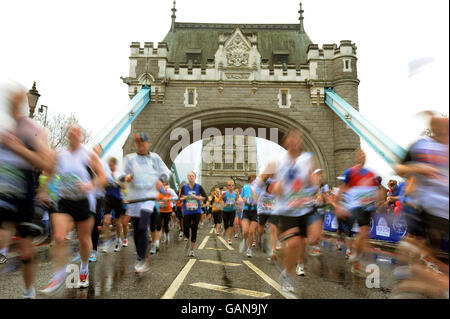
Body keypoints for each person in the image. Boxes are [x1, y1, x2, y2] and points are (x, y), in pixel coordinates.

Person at [0, 81, 53, 298]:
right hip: (3, 195)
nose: (12, 105)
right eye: (9, 101)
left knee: (25, 250)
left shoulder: (32, 129)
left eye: (16, 101)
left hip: (23, 194)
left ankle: (29, 290)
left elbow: (47, 163)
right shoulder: (6, 129)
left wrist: (18, 148)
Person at [41, 125, 107, 295]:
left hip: (84, 201)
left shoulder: (88, 154)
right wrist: (43, 191)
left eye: (76, 131)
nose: (73, 134)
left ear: (81, 136)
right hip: (64, 200)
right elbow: (50, 173)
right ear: (68, 135)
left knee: (84, 240)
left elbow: (103, 177)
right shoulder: (60, 154)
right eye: (70, 131)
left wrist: (89, 185)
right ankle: (59, 274)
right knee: (58, 237)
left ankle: (83, 269)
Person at [392, 115, 448, 298]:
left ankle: (413, 281)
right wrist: (418, 168)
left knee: (429, 254)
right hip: (427, 210)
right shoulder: (421, 146)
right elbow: (399, 168)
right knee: (420, 247)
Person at [270, 129, 322, 292]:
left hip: (307, 205)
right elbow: (273, 183)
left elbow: (314, 176)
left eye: (298, 138)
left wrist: (315, 182)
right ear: (286, 143)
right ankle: (287, 274)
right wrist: (276, 186)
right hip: (289, 208)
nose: (295, 141)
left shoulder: (308, 158)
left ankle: (298, 256)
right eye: (292, 139)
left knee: (314, 239)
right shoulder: (280, 160)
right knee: (294, 244)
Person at [122, 132, 171, 272]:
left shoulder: (155, 158)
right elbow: (119, 174)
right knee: (137, 230)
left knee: (143, 226)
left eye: (143, 142)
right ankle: (140, 256)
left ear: (148, 143)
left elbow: (166, 172)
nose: (140, 144)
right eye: (138, 142)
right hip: (134, 199)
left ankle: (142, 259)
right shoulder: (129, 159)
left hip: (148, 199)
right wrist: (126, 177)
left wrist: (161, 181)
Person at [338, 149, 383, 275]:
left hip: (368, 207)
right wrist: (338, 206)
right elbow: (341, 188)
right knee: (362, 232)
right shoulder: (350, 172)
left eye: (364, 155)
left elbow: (377, 189)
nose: (362, 157)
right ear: (356, 158)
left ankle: (356, 259)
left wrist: (378, 202)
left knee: (364, 234)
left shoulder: (370, 173)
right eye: (360, 155)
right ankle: (355, 255)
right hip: (357, 207)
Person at [255, 160, 279, 261]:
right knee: (260, 228)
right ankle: (260, 238)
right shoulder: (263, 180)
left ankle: (273, 251)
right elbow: (259, 182)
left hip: (274, 209)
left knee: (273, 228)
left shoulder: (278, 179)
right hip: (263, 208)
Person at [180, 171, 207, 257]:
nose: (191, 177)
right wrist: (185, 197)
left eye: (192, 176)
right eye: (189, 176)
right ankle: (187, 237)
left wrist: (198, 197)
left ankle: (191, 249)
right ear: (188, 178)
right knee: (186, 228)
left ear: (195, 177)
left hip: (196, 211)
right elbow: (180, 198)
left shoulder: (199, 187)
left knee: (194, 228)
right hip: (187, 211)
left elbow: (205, 197)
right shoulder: (184, 187)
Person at [239, 174, 260, 258]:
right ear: (249, 180)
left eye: (254, 179)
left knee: (251, 231)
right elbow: (240, 197)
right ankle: (244, 240)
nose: (253, 181)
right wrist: (243, 200)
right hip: (246, 210)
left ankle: (249, 249)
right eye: (251, 179)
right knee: (245, 231)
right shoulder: (245, 187)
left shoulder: (259, 188)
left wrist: (256, 201)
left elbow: (261, 200)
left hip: (255, 211)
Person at [157, 181, 178, 245]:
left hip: (167, 210)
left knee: (165, 224)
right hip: (159, 210)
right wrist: (157, 203)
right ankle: (160, 237)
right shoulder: (156, 190)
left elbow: (176, 197)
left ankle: (166, 235)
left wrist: (168, 198)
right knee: (159, 224)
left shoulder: (169, 190)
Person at [221, 180, 239, 245]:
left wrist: (237, 202)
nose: (231, 186)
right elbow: (220, 200)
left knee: (231, 224)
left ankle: (229, 239)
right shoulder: (224, 193)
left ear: (234, 186)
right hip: (225, 211)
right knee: (226, 224)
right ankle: (225, 229)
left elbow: (237, 200)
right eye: (229, 185)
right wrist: (223, 203)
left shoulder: (236, 193)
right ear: (227, 186)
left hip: (232, 210)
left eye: (232, 185)